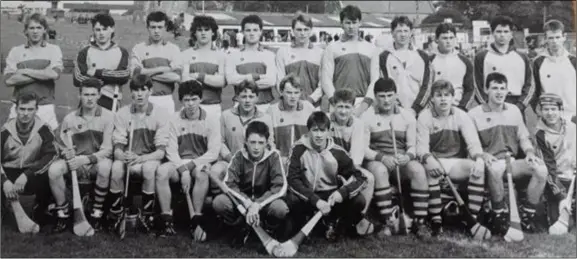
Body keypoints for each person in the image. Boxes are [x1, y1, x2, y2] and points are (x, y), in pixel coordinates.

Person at [468, 72, 548, 235]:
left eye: (502, 88)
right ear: (486, 90)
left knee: (541, 170)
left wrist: (529, 152)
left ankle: (527, 215)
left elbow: (523, 137)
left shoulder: (514, 111)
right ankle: (499, 216)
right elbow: (472, 144)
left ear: (507, 91)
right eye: (495, 88)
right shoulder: (474, 114)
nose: (499, 92)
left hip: (511, 162)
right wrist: (483, 155)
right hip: (489, 162)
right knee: (495, 169)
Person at [416, 80, 487, 235]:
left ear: (453, 98)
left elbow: (473, 143)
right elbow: (421, 148)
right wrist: (429, 160)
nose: (443, 99)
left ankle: (471, 219)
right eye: (438, 95)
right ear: (432, 99)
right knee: (430, 171)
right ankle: (436, 220)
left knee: (476, 169)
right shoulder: (424, 117)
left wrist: (479, 159)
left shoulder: (461, 115)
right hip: (436, 160)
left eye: (447, 95)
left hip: (455, 162)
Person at [362, 78, 431, 238]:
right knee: (379, 170)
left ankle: (420, 222)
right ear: (375, 96)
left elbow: (413, 146)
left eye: (389, 95)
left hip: (400, 160)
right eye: (381, 96)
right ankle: (388, 222)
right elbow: (363, 149)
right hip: (377, 161)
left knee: (418, 170)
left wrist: (407, 157)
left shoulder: (407, 116)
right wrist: (381, 157)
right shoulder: (367, 117)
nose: (386, 100)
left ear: (396, 95)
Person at [286, 111, 367, 242]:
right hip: (307, 197)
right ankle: (303, 224)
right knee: (291, 199)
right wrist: (315, 200)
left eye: (322, 130)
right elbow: (292, 180)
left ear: (329, 131)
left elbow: (361, 178)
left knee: (359, 200)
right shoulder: (298, 149)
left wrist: (342, 192)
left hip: (330, 197)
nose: (318, 135)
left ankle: (337, 226)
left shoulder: (337, 152)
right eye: (315, 130)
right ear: (308, 131)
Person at [47, 78, 114, 232]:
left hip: (96, 162)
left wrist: (86, 159)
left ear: (99, 96)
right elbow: (60, 144)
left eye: (93, 94)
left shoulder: (109, 117)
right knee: (54, 170)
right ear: (80, 96)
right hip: (75, 163)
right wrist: (65, 153)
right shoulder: (69, 119)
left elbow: (108, 150)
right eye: (86, 95)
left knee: (105, 167)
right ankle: (62, 214)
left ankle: (97, 214)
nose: (89, 98)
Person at [156, 80, 220, 239]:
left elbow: (213, 152)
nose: (190, 104)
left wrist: (190, 166)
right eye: (186, 100)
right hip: (178, 163)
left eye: (194, 99)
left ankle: (196, 219)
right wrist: (183, 170)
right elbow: (171, 150)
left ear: (201, 99)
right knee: (162, 171)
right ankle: (166, 220)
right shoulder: (173, 118)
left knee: (202, 173)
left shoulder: (211, 119)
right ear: (181, 101)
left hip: (199, 163)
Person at [108, 75, 169, 236]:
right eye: (136, 90)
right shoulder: (122, 113)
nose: (140, 94)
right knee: (115, 167)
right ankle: (116, 213)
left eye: (143, 90)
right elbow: (117, 148)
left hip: (149, 159)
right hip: (129, 158)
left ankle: (147, 215)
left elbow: (160, 152)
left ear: (150, 91)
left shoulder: (160, 113)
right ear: (131, 93)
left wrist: (140, 158)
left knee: (149, 169)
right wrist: (123, 156)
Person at [212, 121, 289, 243]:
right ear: (246, 142)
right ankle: (239, 226)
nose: (256, 147)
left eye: (261, 143)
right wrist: (247, 203)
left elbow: (280, 187)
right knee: (219, 202)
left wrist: (257, 205)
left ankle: (268, 228)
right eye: (252, 142)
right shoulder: (238, 156)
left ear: (267, 143)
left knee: (280, 208)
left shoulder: (274, 156)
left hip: (264, 203)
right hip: (243, 203)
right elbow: (229, 183)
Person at [1, 92, 56, 229]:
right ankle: (3, 209)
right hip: (8, 173)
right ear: (16, 109)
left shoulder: (44, 129)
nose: (26, 113)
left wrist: (27, 174)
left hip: (30, 173)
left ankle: (40, 209)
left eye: (30, 109)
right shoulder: (5, 131)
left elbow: (51, 155)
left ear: (36, 110)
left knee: (50, 173)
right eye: (22, 109)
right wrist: (4, 181)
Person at [209, 81, 274, 196]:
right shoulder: (226, 115)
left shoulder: (266, 118)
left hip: (256, 163)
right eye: (243, 96)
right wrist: (231, 158)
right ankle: (220, 203)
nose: (247, 100)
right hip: (230, 161)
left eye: (251, 96)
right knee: (215, 171)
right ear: (237, 98)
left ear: (257, 98)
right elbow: (220, 142)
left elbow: (270, 144)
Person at [328, 89, 376, 235]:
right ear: (333, 106)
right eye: (340, 107)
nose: (343, 112)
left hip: (348, 167)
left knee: (369, 178)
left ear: (353, 108)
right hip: (329, 166)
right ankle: (330, 219)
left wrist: (348, 176)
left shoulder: (358, 124)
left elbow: (356, 156)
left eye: (347, 107)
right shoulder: (326, 120)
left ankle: (359, 219)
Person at [4, 13, 63, 130]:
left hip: (44, 106)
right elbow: (9, 80)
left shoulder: (53, 50)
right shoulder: (16, 51)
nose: (35, 31)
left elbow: (54, 74)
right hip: (20, 106)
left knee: (49, 144)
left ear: (44, 30)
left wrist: (24, 71)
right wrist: (43, 73)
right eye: (31, 28)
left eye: (39, 28)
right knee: (10, 143)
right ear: (25, 31)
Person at [320, 5, 379, 116]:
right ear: (341, 24)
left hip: (363, 102)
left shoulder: (371, 49)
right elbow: (326, 79)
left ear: (360, 23)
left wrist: (364, 105)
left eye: (354, 22)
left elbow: (375, 79)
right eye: (347, 23)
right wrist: (336, 103)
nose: (351, 26)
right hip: (339, 103)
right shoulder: (331, 48)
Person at [473, 16, 535, 115]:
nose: (502, 35)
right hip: (491, 104)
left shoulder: (522, 57)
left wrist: (521, 105)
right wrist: (486, 104)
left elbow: (530, 83)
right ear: (493, 33)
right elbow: (476, 84)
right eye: (498, 31)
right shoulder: (482, 56)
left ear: (511, 34)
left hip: (516, 103)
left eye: (506, 32)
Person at [533, 93, 576, 232]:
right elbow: (549, 170)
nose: (550, 113)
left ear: (560, 110)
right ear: (540, 111)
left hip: (574, 177)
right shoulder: (540, 135)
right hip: (557, 182)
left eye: (553, 109)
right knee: (565, 224)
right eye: (546, 109)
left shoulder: (572, 127)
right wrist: (562, 197)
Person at [74, 13, 130, 111]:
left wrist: (97, 72)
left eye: (104, 29)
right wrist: (106, 79)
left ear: (112, 29)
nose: (101, 33)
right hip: (88, 101)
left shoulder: (121, 52)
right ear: (93, 31)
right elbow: (77, 78)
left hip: (112, 101)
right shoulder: (85, 52)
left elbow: (124, 75)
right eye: (97, 30)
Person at [378, 16, 432, 116]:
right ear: (392, 33)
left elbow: (427, 86)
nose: (403, 35)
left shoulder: (423, 56)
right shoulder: (384, 57)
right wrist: (397, 106)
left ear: (411, 32)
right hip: (394, 111)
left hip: (420, 112)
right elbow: (384, 85)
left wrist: (415, 109)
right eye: (399, 31)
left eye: (406, 31)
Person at [130, 11, 181, 114]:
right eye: (153, 27)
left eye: (160, 27)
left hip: (165, 99)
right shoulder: (138, 48)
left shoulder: (173, 49)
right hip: (144, 99)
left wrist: (145, 73)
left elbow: (176, 77)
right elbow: (134, 74)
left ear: (166, 27)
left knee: (167, 130)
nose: (156, 31)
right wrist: (164, 69)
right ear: (148, 28)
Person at [225, 15, 277, 113]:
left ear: (261, 32)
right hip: (240, 105)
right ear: (243, 32)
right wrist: (256, 76)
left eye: (255, 30)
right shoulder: (233, 55)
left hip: (264, 106)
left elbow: (271, 81)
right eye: (248, 30)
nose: (252, 33)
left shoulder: (269, 55)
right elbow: (231, 79)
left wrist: (243, 81)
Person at [181, 15, 226, 118]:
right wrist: (211, 78)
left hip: (213, 106)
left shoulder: (221, 56)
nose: (203, 33)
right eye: (199, 30)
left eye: (206, 29)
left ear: (213, 32)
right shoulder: (186, 54)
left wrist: (198, 76)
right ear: (195, 33)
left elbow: (221, 82)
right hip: (190, 107)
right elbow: (184, 81)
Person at [275, 12, 324, 107]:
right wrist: (291, 100)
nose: (302, 33)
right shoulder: (283, 52)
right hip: (289, 105)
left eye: (306, 29)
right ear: (292, 31)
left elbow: (322, 84)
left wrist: (310, 100)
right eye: (299, 29)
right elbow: (280, 82)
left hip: (313, 106)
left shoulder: (320, 53)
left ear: (311, 31)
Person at [533, 19, 576, 124]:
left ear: (564, 37)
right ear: (545, 39)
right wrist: (539, 111)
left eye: (557, 37)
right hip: (549, 117)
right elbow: (534, 91)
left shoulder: (573, 61)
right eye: (551, 38)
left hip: (572, 116)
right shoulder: (538, 62)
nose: (555, 41)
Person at [266, 74, 315, 161]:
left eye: (296, 92)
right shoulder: (272, 111)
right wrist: (276, 158)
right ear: (281, 92)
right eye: (289, 92)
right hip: (280, 160)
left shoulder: (308, 108)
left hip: (304, 160)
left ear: (300, 92)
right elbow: (268, 140)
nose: (293, 96)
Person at [430, 23, 476, 111]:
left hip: (458, 109)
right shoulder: (429, 61)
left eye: (451, 38)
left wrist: (462, 107)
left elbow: (470, 89)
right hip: (435, 110)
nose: (448, 41)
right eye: (444, 38)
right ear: (436, 39)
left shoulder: (465, 61)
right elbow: (426, 88)